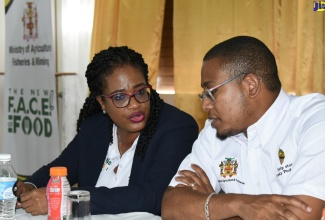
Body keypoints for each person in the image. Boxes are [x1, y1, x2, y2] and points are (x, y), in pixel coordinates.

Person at [15, 46, 199, 216]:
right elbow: (62, 167)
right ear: (102, 102)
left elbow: (152, 197)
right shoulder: (94, 128)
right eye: (120, 97)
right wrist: (29, 186)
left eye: (141, 91)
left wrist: (66, 200)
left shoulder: (177, 128)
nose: (135, 104)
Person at [161, 36, 325, 219]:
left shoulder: (314, 119)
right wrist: (237, 204)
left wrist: (213, 206)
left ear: (251, 85)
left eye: (211, 92)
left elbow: (298, 216)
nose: (205, 105)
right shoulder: (214, 131)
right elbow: (171, 207)